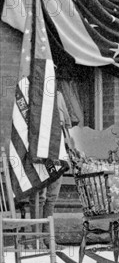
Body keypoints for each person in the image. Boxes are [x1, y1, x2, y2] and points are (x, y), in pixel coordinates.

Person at [29, 90, 71, 245]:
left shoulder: (58, 95)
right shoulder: (32, 91)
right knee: (39, 197)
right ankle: (35, 240)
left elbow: (66, 124)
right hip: (40, 152)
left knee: (52, 197)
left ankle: (48, 240)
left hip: (57, 152)